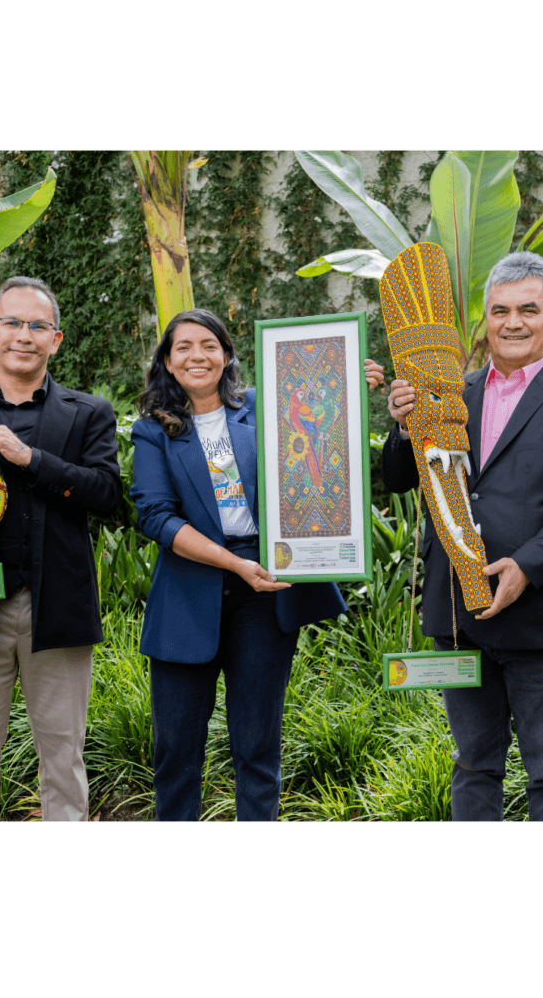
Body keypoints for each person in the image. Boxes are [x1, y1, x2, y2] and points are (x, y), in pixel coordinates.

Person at [382, 252, 543, 820]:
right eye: (500, 310)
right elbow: (395, 478)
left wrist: (526, 566)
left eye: (528, 310)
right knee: (473, 764)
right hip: (459, 617)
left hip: (539, 620)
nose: (513, 323)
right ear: (485, 319)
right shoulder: (446, 392)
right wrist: (400, 425)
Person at [130, 308, 384, 821]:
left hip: (265, 592)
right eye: (183, 347)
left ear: (226, 356)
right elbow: (156, 516)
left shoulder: (263, 409)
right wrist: (233, 564)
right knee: (176, 753)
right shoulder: (153, 430)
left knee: (258, 747)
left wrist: (347, 384)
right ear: (168, 361)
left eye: (208, 345)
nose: (197, 355)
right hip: (189, 593)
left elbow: (320, 425)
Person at [0, 276, 123, 821]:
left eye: (38, 326)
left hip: (56, 608)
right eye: (11, 323)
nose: (23, 336)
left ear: (56, 340)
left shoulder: (88, 412)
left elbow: (107, 495)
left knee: (62, 763)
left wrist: (27, 458)